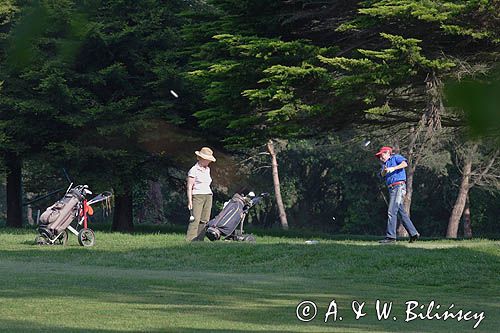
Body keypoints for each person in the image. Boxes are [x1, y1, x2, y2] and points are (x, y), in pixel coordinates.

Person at [375, 146, 420, 244]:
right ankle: (413, 233)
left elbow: (405, 163)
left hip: (398, 187)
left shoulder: (396, 157)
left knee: (391, 211)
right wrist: (384, 171)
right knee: (401, 213)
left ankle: (391, 237)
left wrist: (393, 168)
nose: (380, 158)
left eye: (381, 155)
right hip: (392, 189)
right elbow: (381, 175)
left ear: (388, 153)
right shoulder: (385, 164)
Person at [186, 147, 216, 241]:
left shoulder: (208, 170)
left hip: (208, 195)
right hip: (197, 196)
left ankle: (200, 240)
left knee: (205, 219)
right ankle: (190, 239)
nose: (208, 162)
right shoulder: (193, 170)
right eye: (207, 160)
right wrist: (190, 201)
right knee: (195, 219)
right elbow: (189, 187)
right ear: (200, 158)